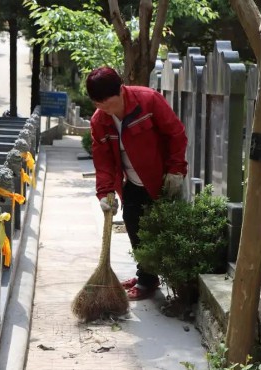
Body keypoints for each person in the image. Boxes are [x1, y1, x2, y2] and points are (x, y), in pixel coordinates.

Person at [86, 66, 188, 301]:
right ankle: (147, 279)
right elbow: (103, 160)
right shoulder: (100, 121)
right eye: (100, 106)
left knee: (164, 232)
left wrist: (175, 170)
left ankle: (176, 285)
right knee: (134, 227)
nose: (107, 110)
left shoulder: (148, 101)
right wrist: (104, 193)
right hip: (131, 183)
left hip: (160, 180)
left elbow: (176, 134)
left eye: (110, 104)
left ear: (121, 90)